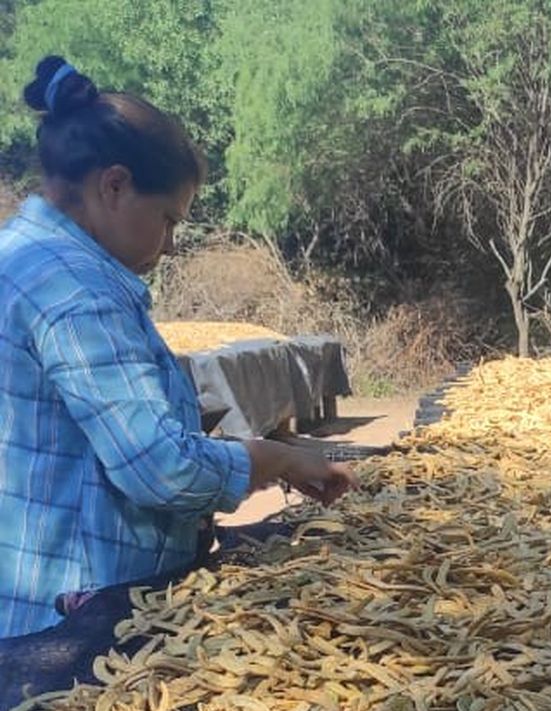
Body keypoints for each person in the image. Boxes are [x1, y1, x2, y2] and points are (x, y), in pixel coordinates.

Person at [0, 57, 355, 639]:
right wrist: (278, 457)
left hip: (29, 597)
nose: (168, 244)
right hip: (77, 616)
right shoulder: (76, 290)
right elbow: (160, 468)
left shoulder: (20, 256)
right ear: (113, 186)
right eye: (168, 219)